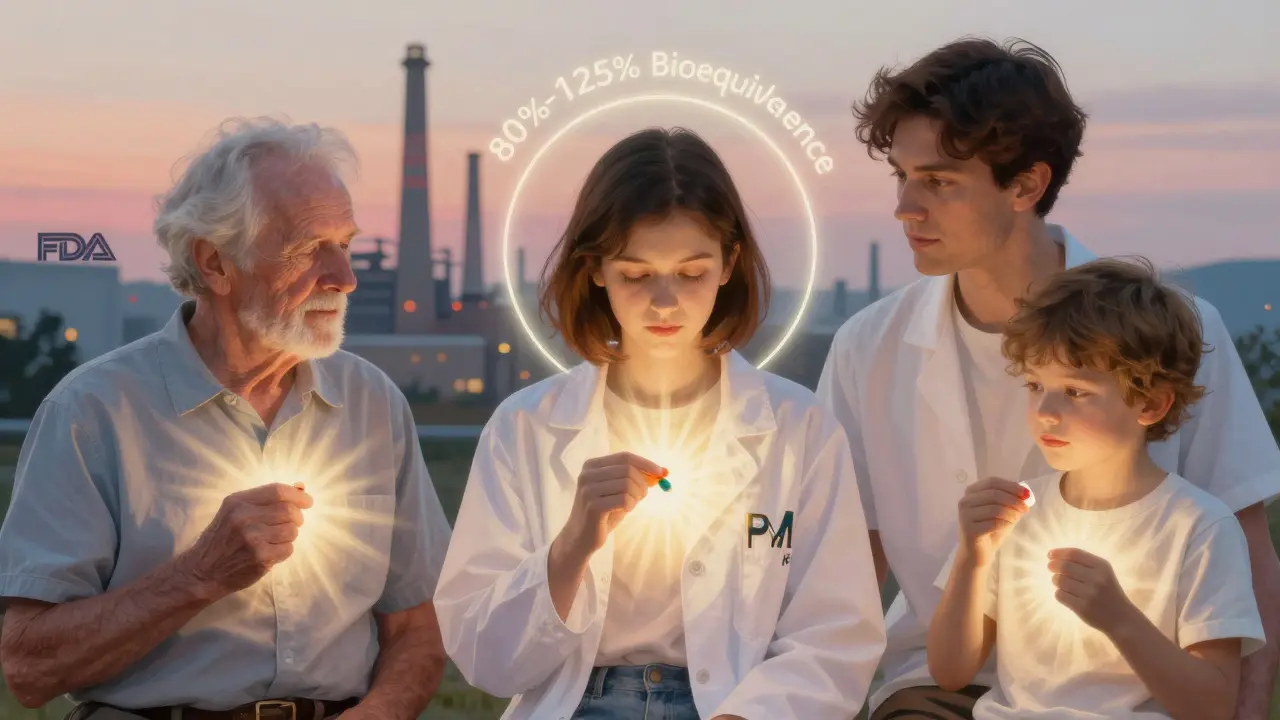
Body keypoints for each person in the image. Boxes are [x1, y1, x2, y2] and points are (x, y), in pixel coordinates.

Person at [817, 37, 1280, 719]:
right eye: (902, 176)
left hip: (1138, 690)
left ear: (1027, 185)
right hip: (942, 681)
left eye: (940, 181)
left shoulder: (1183, 328)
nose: (906, 208)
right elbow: (843, 571)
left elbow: (1247, 543)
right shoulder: (867, 349)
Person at [0, 118, 453, 720]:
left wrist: (379, 713)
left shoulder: (373, 403)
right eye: (306, 250)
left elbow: (419, 627)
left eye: (344, 243)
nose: (344, 278)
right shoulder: (91, 412)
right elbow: (30, 668)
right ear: (215, 263)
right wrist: (200, 574)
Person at [433, 127, 886, 720]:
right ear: (595, 269)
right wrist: (571, 545)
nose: (666, 301)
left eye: (692, 273)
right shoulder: (527, 427)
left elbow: (836, 635)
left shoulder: (800, 430)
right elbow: (485, 661)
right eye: (637, 274)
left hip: (740, 706)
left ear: (730, 264)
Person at [928, 258, 1266, 719]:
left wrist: (1119, 618)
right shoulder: (1017, 513)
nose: (1045, 411)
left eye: (1075, 391)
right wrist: (972, 558)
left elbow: (1212, 706)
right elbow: (950, 671)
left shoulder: (1199, 529)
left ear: (1150, 403)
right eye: (1035, 384)